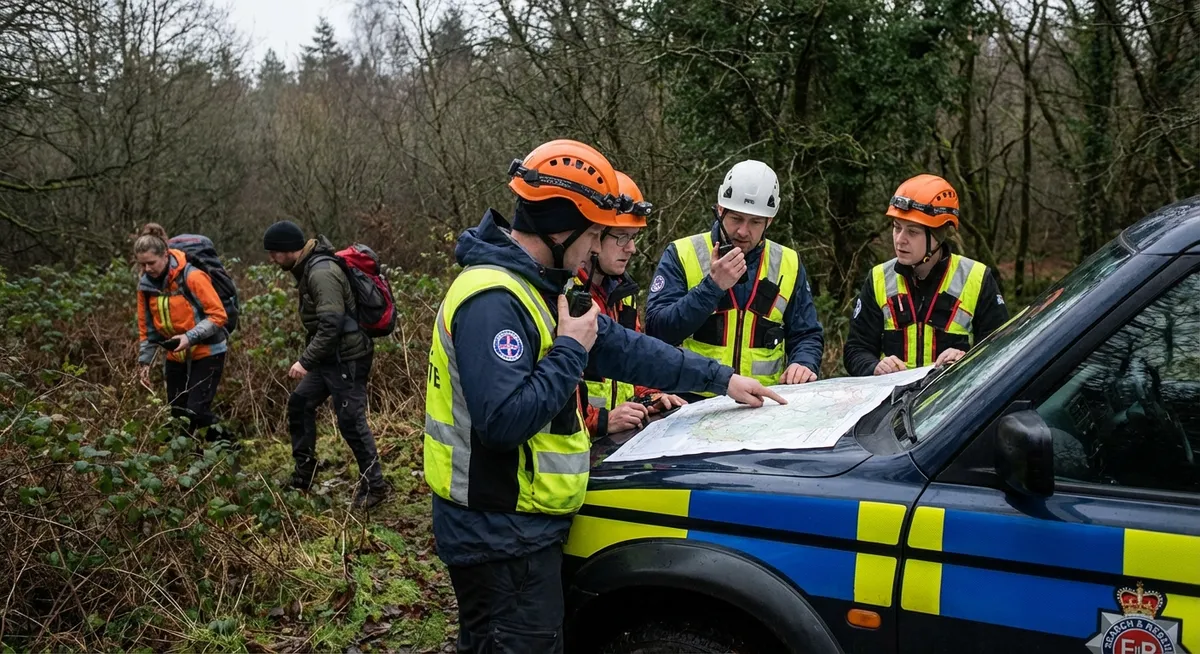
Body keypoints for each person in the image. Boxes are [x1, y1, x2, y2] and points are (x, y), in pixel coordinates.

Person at [424, 139, 785, 654]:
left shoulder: (544, 286)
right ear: (559, 226)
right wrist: (571, 348)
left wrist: (721, 379)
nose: (595, 247)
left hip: (519, 525)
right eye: (593, 232)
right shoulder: (493, 300)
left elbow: (630, 349)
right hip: (498, 534)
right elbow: (502, 422)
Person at [644, 159, 824, 397]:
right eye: (736, 218)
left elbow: (807, 333)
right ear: (720, 210)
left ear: (769, 220)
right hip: (691, 401)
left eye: (755, 222)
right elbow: (657, 331)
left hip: (762, 404)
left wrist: (803, 362)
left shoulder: (788, 262)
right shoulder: (682, 253)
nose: (743, 231)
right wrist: (712, 287)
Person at [262, 220, 388, 510]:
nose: (271, 258)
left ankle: (375, 487)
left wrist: (305, 361)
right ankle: (304, 474)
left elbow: (331, 323)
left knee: (351, 422)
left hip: (347, 358)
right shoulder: (308, 268)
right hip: (330, 357)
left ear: (287, 249)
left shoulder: (320, 272)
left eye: (274, 252)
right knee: (300, 403)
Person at [842, 174, 1009, 376]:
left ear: (938, 235)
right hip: (893, 401)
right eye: (897, 228)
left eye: (912, 232)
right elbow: (855, 350)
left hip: (955, 401)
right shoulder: (878, 278)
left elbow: (1002, 350)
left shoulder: (977, 278)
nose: (900, 240)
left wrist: (966, 359)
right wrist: (874, 367)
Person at [576, 170, 687, 437]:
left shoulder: (622, 291)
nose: (632, 249)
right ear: (594, 234)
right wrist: (601, 421)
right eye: (622, 237)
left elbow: (635, 359)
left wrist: (651, 396)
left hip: (617, 439)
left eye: (634, 237)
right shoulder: (567, 295)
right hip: (577, 448)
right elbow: (555, 390)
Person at [134, 223, 229, 441]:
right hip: (175, 355)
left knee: (196, 411)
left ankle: (230, 448)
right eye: (142, 264)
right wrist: (144, 363)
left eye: (151, 263)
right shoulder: (145, 286)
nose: (147, 269)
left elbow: (218, 315)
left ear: (165, 255)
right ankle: (189, 463)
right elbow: (147, 329)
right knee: (178, 414)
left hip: (208, 351)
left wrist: (189, 337)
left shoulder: (193, 276)